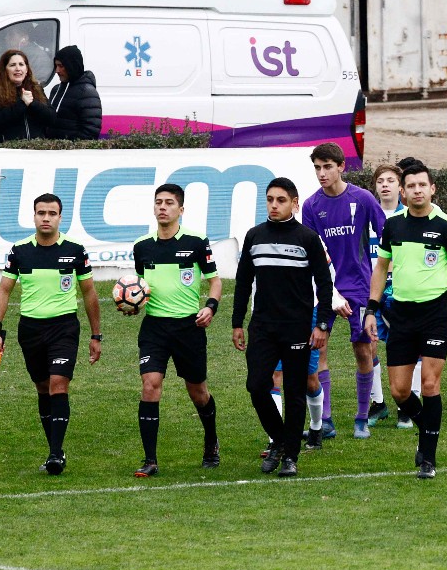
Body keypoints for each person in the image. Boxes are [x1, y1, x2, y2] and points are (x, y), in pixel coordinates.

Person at [366, 163, 447, 479]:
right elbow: (380, 268)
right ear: (403, 191)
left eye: (422, 185)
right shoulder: (393, 227)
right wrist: (371, 309)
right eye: (411, 186)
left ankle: (427, 456)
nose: (417, 190)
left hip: (434, 316)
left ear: (432, 189)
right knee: (400, 391)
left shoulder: (446, 226)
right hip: (400, 316)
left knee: (429, 383)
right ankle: (427, 427)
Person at [0, 193, 102, 475]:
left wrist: (96, 335)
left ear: (60, 217)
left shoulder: (75, 251)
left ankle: (55, 454)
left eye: (52, 213)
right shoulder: (19, 251)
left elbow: (89, 293)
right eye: (41, 213)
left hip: (64, 328)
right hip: (30, 330)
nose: (46, 218)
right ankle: (56, 448)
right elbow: (4, 290)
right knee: (42, 389)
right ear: (34, 216)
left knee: (58, 385)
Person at [232, 178, 333, 478]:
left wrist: (323, 324)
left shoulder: (308, 238)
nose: (274, 205)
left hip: (297, 327)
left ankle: (290, 455)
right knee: (256, 386)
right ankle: (279, 438)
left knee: (294, 391)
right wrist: (237, 323)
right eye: (270, 200)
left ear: (294, 203)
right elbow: (242, 283)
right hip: (262, 327)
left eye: (280, 200)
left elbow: (325, 285)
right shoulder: (254, 236)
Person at [126, 184, 221, 477]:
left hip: (188, 327)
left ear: (181, 209)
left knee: (198, 392)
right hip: (154, 327)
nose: (162, 207)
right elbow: (139, 289)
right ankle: (150, 459)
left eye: (169, 203)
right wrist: (132, 305)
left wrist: (211, 306)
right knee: (150, 384)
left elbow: (214, 281)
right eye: (158, 202)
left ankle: (211, 441)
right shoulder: (142, 246)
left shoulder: (195, 242)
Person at [301, 142, 386, 439]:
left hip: (360, 289)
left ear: (341, 167)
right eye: (317, 168)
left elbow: (386, 236)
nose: (322, 173)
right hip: (325, 291)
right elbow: (315, 253)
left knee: (363, 350)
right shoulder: (311, 206)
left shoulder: (362, 199)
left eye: (327, 167)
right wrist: (332, 295)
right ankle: (325, 421)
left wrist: (388, 274)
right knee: (318, 349)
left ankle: (362, 417)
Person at [366, 164, 407, 428]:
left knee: (404, 347)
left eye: (390, 180)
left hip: (404, 291)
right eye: (380, 180)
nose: (385, 185)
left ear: (400, 186)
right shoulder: (367, 216)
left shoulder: (410, 215)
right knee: (368, 346)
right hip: (371, 291)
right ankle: (378, 403)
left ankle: (407, 404)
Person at [0, 49, 55, 142]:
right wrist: (22, 104)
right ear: (4, 70)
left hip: (36, 149)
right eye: (12, 65)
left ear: (26, 69)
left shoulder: (37, 89)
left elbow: (51, 118)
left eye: (21, 64)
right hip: (7, 150)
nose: (18, 68)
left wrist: (33, 103)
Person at [46, 44, 102, 140]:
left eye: (61, 66)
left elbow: (90, 131)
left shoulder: (87, 92)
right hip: (52, 152)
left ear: (71, 65)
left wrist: (68, 147)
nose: (57, 70)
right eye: (56, 66)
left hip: (72, 153)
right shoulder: (56, 89)